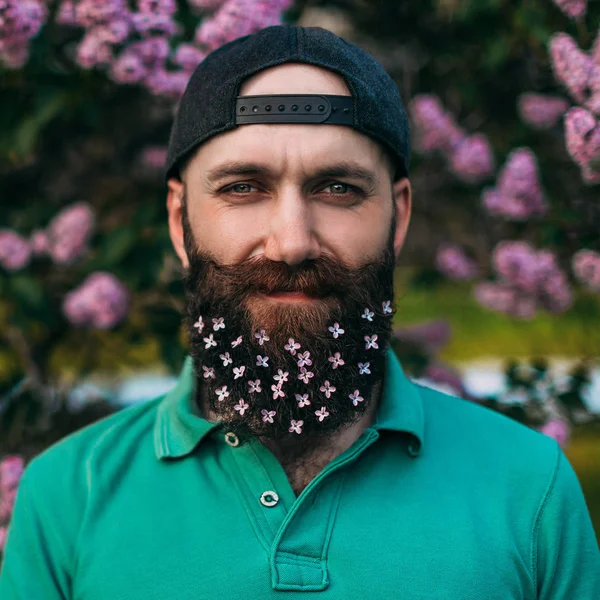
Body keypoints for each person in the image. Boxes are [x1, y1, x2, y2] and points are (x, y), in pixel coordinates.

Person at [0, 24, 598, 600]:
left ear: (399, 217)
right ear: (180, 221)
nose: (292, 242)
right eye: (242, 187)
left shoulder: (530, 489)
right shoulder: (67, 495)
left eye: (337, 188)